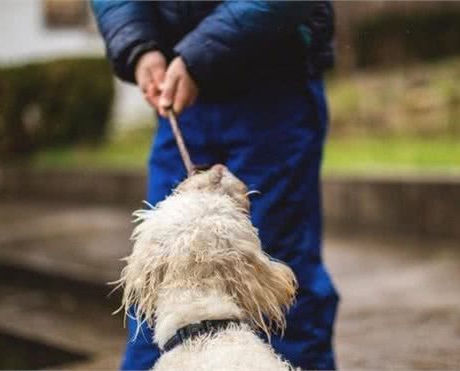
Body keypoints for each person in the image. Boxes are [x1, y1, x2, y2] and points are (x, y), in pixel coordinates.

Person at [91, 2, 339, 369]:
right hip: (181, 95)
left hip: (273, 82)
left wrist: (197, 56)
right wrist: (138, 46)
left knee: (282, 282)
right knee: (156, 280)